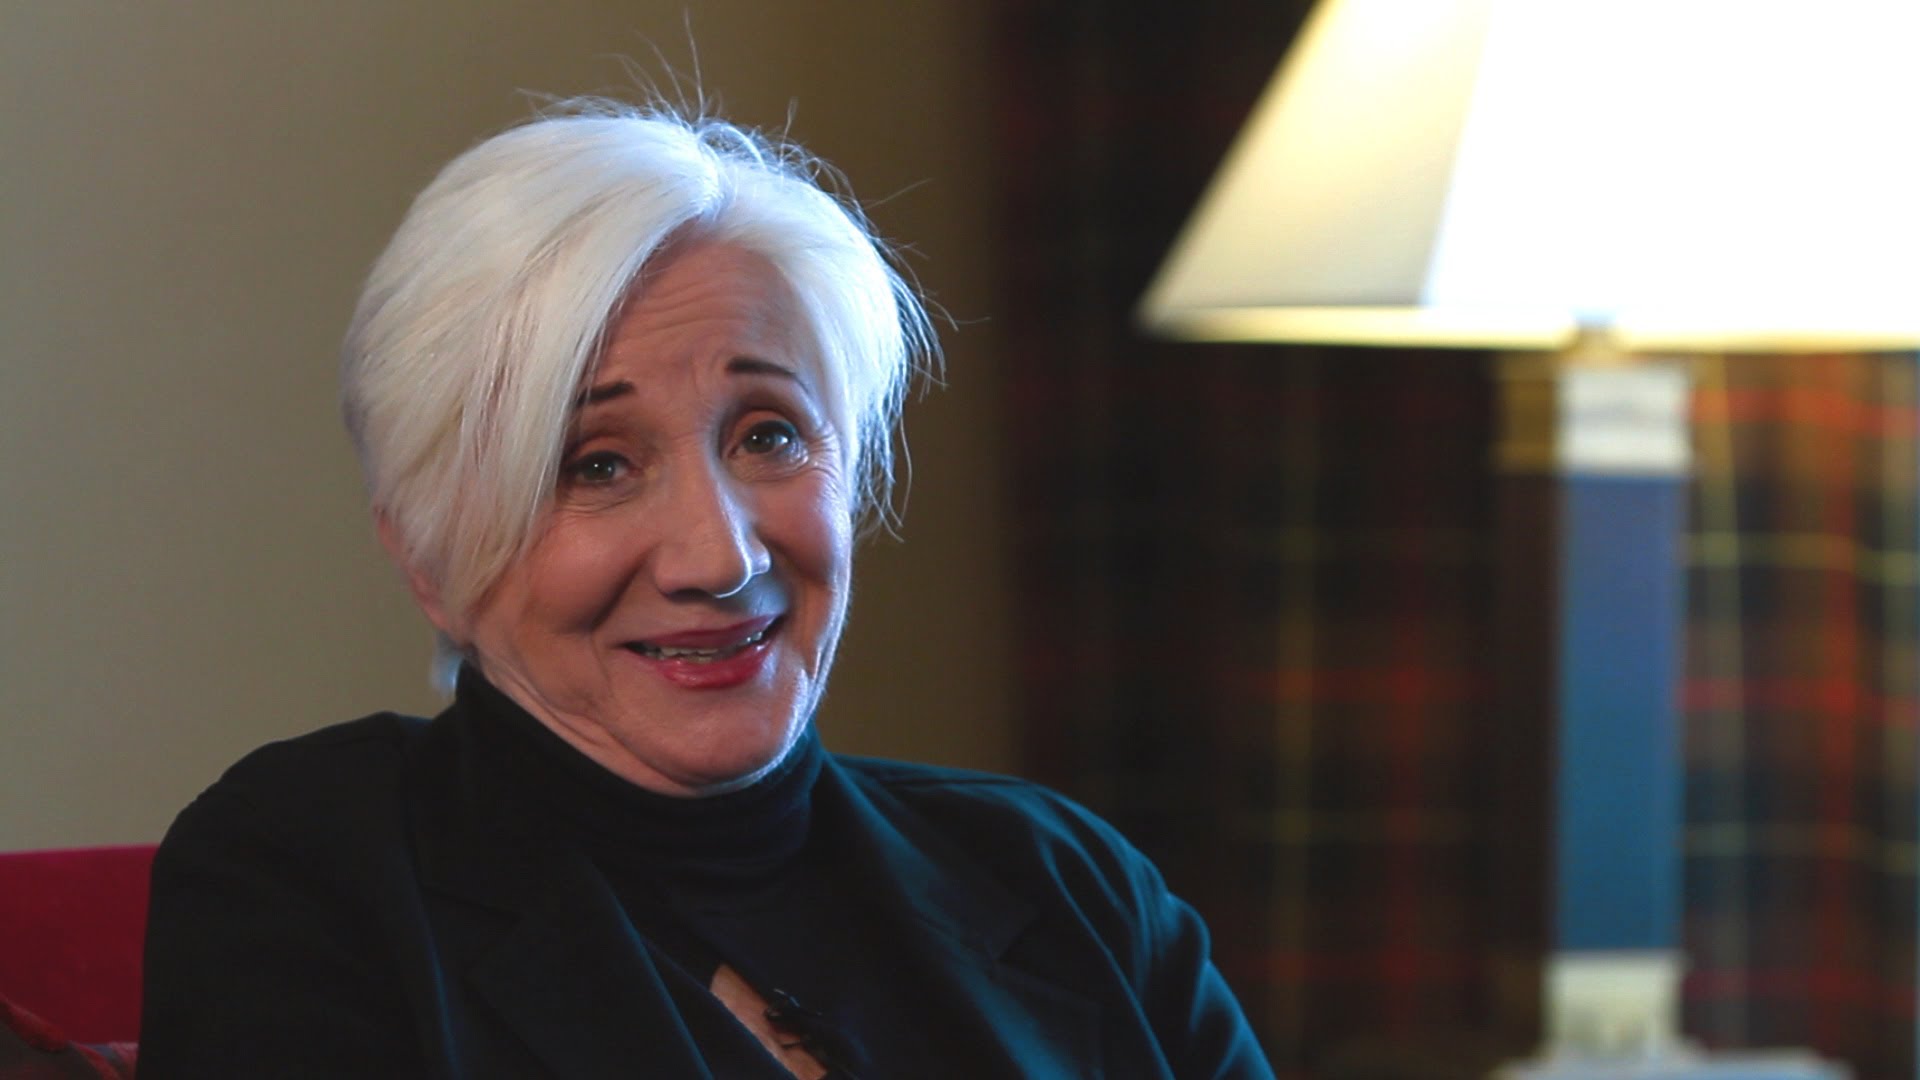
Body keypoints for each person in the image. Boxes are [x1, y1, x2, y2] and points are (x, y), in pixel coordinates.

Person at [137, 99, 1273, 1079]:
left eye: (769, 435)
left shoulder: (1068, 883)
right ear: (428, 558)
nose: (719, 558)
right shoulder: (311, 874)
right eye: (596, 465)